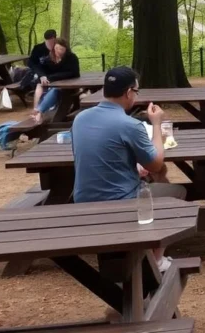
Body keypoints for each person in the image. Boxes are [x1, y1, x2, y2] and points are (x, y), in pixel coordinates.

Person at [71, 67, 186, 271]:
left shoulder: (80, 119)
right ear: (128, 92)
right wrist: (156, 124)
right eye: (137, 91)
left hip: (82, 199)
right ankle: (156, 259)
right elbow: (156, 164)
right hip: (121, 200)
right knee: (176, 193)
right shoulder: (130, 125)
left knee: (151, 184)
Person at [30, 38, 80, 124]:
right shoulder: (49, 59)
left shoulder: (72, 58)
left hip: (69, 87)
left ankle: (39, 112)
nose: (59, 51)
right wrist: (43, 76)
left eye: (61, 49)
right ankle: (37, 111)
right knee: (40, 85)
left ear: (65, 49)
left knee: (55, 90)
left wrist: (52, 77)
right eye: (57, 48)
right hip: (53, 85)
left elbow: (74, 73)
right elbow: (38, 68)